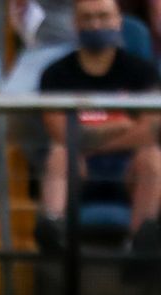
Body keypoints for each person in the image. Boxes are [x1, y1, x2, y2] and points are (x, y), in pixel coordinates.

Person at [35, 0, 161, 255]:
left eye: (104, 16)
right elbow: (60, 134)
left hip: (127, 169)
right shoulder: (55, 74)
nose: (96, 24)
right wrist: (121, 125)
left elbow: (152, 129)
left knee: (152, 157)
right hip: (79, 168)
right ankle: (53, 229)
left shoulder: (142, 72)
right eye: (88, 18)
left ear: (118, 21)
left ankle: (138, 246)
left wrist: (88, 138)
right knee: (60, 154)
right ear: (75, 24)